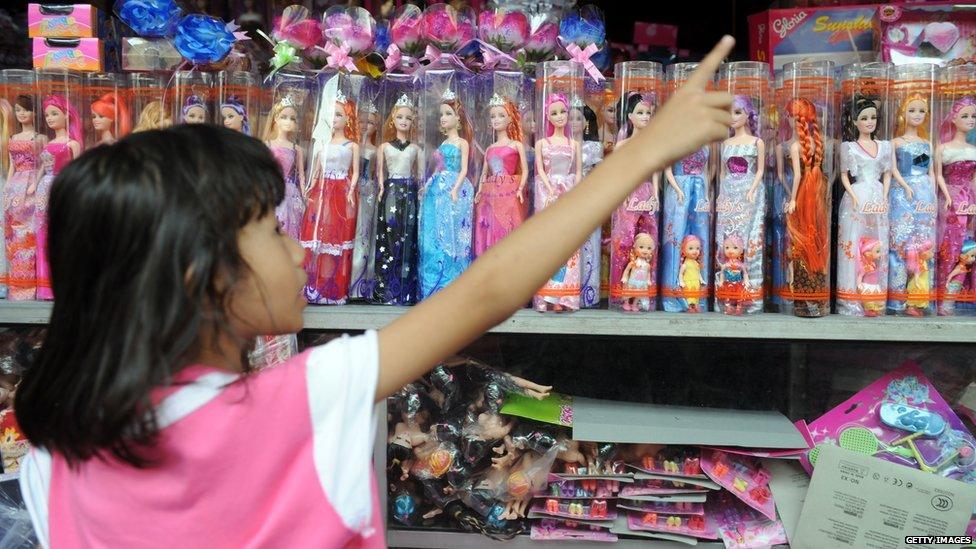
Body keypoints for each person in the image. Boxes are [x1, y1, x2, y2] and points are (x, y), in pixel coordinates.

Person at [14, 37, 735, 548]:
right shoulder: (302, 400)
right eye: (271, 231)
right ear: (204, 277)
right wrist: (643, 152)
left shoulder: (52, 461)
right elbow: (486, 291)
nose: (301, 248)